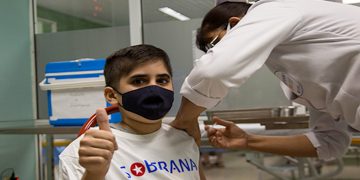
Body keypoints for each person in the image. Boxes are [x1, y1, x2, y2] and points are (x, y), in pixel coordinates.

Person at [171, 0, 360, 161]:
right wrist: (248, 141)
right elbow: (330, 142)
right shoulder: (295, 65)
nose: (220, 52)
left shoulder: (272, 9)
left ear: (236, 24)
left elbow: (213, 72)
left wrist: (184, 121)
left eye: (216, 45)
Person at [59, 44, 204, 179]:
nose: (154, 89)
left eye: (162, 80)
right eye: (139, 81)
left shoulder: (185, 140)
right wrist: (93, 175)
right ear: (111, 95)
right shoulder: (87, 152)